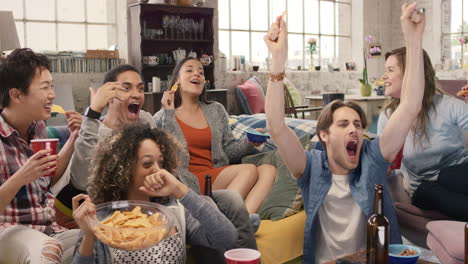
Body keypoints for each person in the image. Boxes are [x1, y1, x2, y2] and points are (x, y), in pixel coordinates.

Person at [264, 3, 425, 263]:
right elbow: (276, 126)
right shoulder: (311, 167)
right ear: (324, 135)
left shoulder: (372, 158)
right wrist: (278, 59)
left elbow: (410, 107)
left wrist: (414, 40)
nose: (354, 129)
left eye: (358, 125)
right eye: (343, 124)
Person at [68, 64, 257, 258]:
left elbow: (173, 157)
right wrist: (93, 111)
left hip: (174, 192)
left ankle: (243, 243)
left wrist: (179, 190)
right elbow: (82, 179)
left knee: (230, 200)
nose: (136, 94)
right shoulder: (96, 132)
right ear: (108, 95)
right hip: (135, 202)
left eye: (140, 89)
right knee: (208, 205)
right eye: (126, 88)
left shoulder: (146, 119)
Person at [71, 124, 237, 263]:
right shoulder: (101, 218)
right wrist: (88, 237)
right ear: (123, 169)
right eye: (147, 163)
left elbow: (227, 238)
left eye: (161, 162)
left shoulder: (175, 211)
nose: (158, 170)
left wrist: (180, 190)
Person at [154, 57, 277, 214]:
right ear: (176, 80)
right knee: (248, 170)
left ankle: (242, 222)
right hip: (187, 181)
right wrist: (169, 113)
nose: (197, 74)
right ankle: (223, 220)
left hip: (215, 175)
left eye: (201, 72)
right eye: (189, 70)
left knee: (268, 169)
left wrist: (249, 142)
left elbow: (228, 150)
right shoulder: (163, 116)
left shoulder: (216, 110)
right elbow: (166, 157)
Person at [0, 48, 82, 263]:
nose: (52, 94)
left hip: (48, 229)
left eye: (52, 86)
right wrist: (21, 177)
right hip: (7, 231)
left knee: (100, 239)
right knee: (48, 249)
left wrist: (74, 138)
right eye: (45, 87)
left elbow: (49, 176)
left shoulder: (38, 127)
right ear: (16, 95)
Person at [377, 45, 468, 220]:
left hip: (459, 175)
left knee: (448, 175)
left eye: (390, 70)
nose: (384, 76)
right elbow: (382, 162)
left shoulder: (448, 105)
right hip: (425, 190)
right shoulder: (389, 117)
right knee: (427, 189)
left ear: (412, 74)